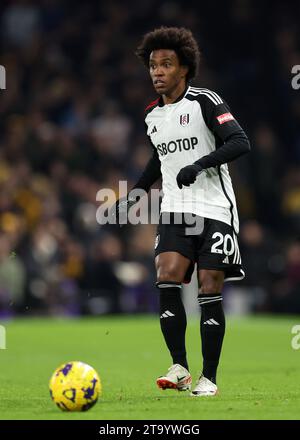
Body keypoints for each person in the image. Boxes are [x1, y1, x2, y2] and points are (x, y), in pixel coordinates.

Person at [115, 27, 250, 396]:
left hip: (215, 207)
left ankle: (209, 377)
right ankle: (180, 367)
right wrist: (134, 194)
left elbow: (240, 141)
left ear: (184, 69)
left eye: (166, 64)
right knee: (167, 273)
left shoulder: (205, 100)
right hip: (176, 208)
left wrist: (200, 164)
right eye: (153, 65)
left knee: (209, 285)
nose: (157, 72)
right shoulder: (151, 116)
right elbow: (159, 159)